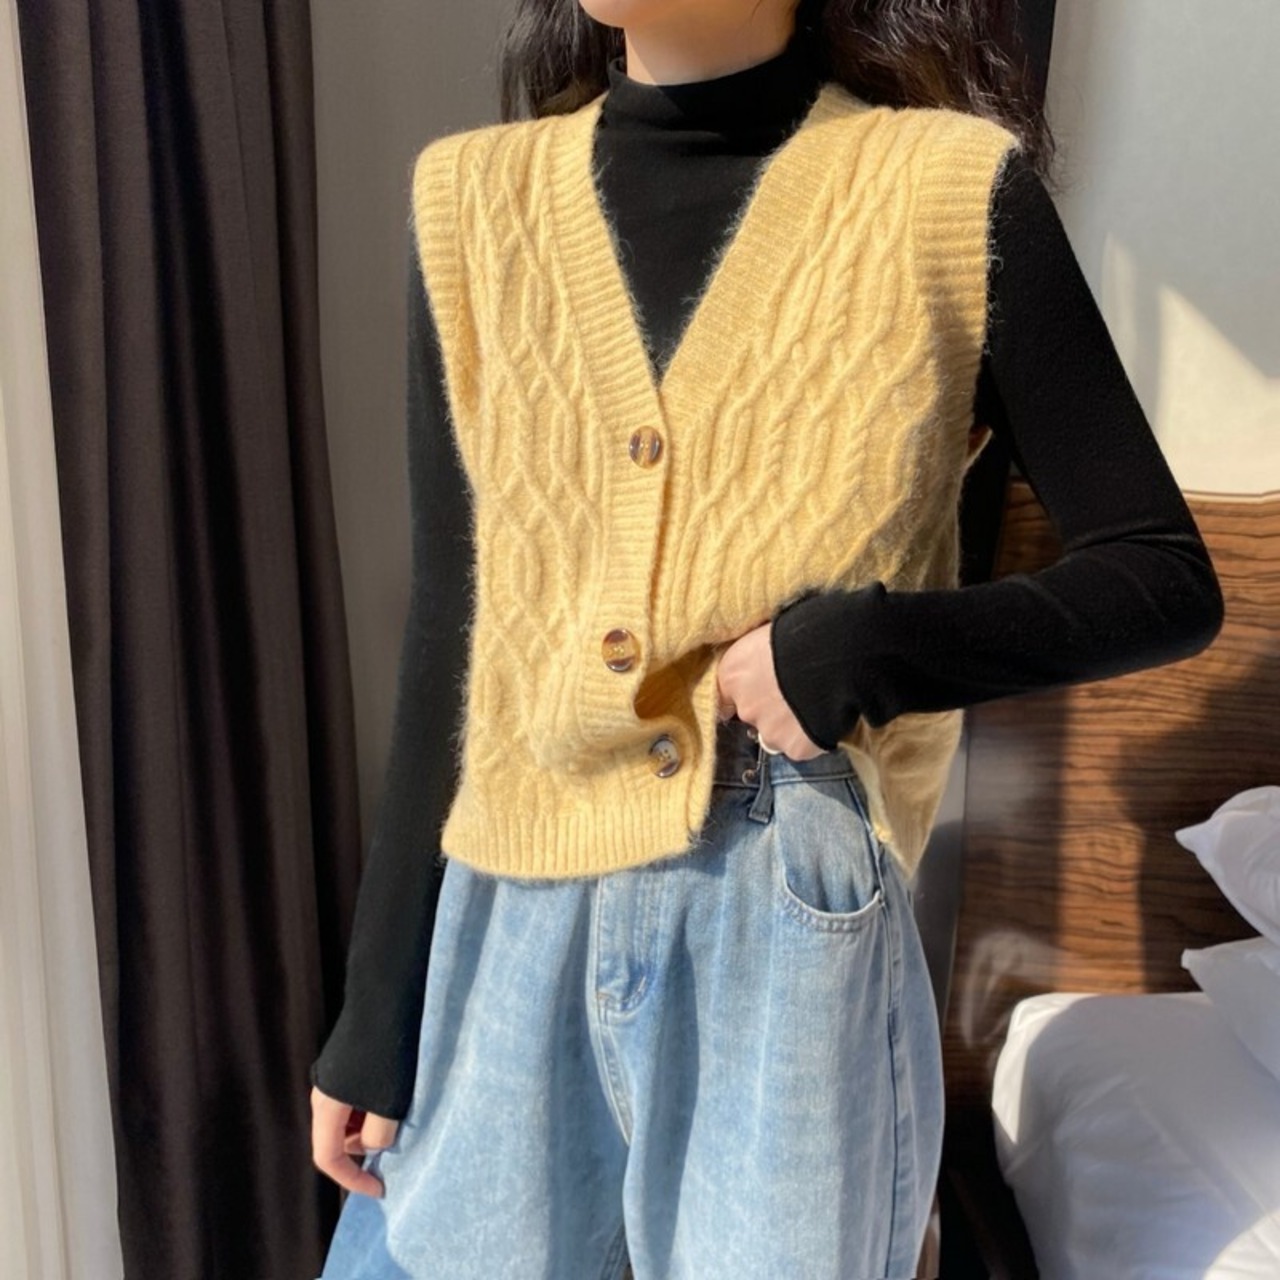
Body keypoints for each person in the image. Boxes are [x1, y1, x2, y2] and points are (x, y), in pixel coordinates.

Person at [310, 2, 1225, 1277]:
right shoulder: (473, 202)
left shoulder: (945, 193)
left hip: (783, 914)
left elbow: (1159, 578)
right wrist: (374, 1011)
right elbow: (457, 630)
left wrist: (863, 649)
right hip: (508, 903)